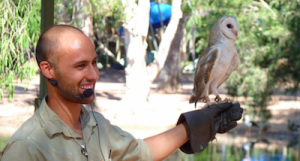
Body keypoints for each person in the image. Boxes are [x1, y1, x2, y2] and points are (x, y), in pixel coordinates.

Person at [0, 25, 243, 161]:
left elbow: (140, 153)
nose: (94, 75)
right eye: (80, 66)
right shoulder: (26, 147)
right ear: (48, 70)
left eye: (94, 63)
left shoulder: (94, 124)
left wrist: (198, 124)